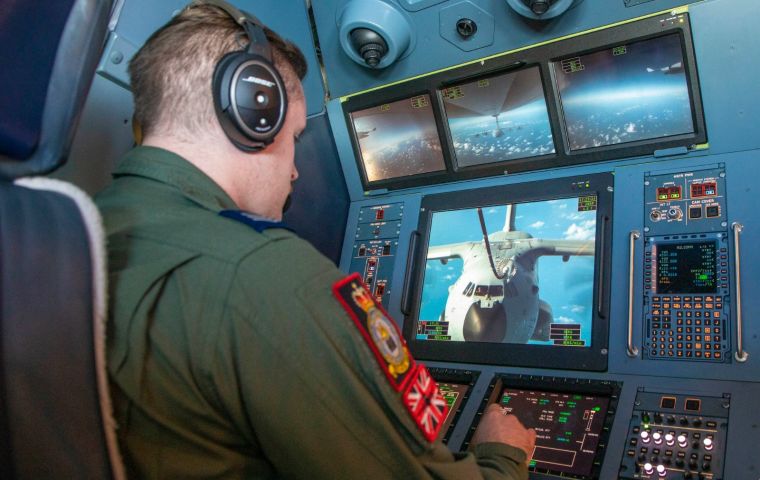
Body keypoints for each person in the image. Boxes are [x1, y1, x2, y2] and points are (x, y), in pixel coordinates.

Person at [95, 2, 537, 479]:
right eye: (296, 137)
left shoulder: (82, 231)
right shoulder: (264, 278)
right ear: (253, 114)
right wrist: (502, 456)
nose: (295, 170)